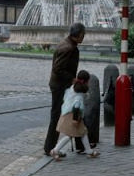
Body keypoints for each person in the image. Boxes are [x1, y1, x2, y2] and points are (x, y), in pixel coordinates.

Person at [43, 22, 86, 157]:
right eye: (83, 35)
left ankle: (79, 145)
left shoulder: (67, 44)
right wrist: (72, 79)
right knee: (59, 115)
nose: (83, 37)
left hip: (61, 85)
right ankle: (50, 147)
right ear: (78, 35)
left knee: (73, 112)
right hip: (60, 86)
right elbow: (58, 69)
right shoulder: (68, 48)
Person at [49, 70, 100, 160]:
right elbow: (76, 105)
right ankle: (55, 150)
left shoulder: (73, 87)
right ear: (85, 81)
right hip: (73, 115)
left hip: (67, 112)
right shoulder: (80, 93)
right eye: (88, 81)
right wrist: (75, 119)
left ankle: (89, 151)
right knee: (70, 135)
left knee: (83, 132)